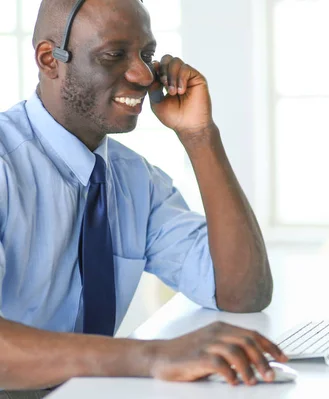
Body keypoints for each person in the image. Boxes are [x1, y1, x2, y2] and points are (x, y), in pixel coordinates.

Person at [0, 0, 287, 397]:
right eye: (114, 55)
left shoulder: (136, 180)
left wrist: (200, 136)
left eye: (147, 55)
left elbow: (242, 294)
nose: (142, 75)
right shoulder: (4, 167)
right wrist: (152, 357)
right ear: (50, 60)